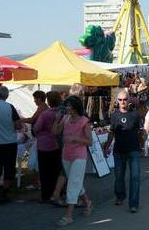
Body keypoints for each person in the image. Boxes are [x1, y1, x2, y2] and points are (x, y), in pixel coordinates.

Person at [52, 96, 93, 226]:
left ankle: (68, 215)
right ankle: (87, 202)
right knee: (75, 181)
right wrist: (57, 120)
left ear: (75, 107)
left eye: (69, 106)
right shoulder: (65, 118)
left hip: (79, 156)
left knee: (73, 183)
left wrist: (76, 139)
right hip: (66, 155)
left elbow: (90, 142)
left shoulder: (84, 121)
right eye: (67, 105)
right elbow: (54, 132)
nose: (67, 108)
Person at [103, 91, 141, 213]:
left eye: (124, 99)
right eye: (120, 100)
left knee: (135, 177)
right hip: (119, 151)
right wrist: (107, 146)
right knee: (119, 176)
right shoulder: (114, 115)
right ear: (117, 101)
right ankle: (120, 196)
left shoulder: (135, 115)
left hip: (133, 150)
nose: (122, 102)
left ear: (128, 99)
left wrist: (143, 143)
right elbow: (111, 132)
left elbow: (139, 132)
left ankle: (133, 204)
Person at [0, 86, 22, 203]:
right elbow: (18, 126)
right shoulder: (10, 107)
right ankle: (5, 192)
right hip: (9, 142)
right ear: (7, 96)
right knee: (9, 167)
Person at [33, 91, 62, 202]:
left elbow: (36, 128)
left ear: (49, 101)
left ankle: (46, 195)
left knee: (45, 171)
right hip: (57, 144)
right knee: (55, 170)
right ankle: (57, 192)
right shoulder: (61, 113)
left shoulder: (45, 114)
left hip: (44, 145)